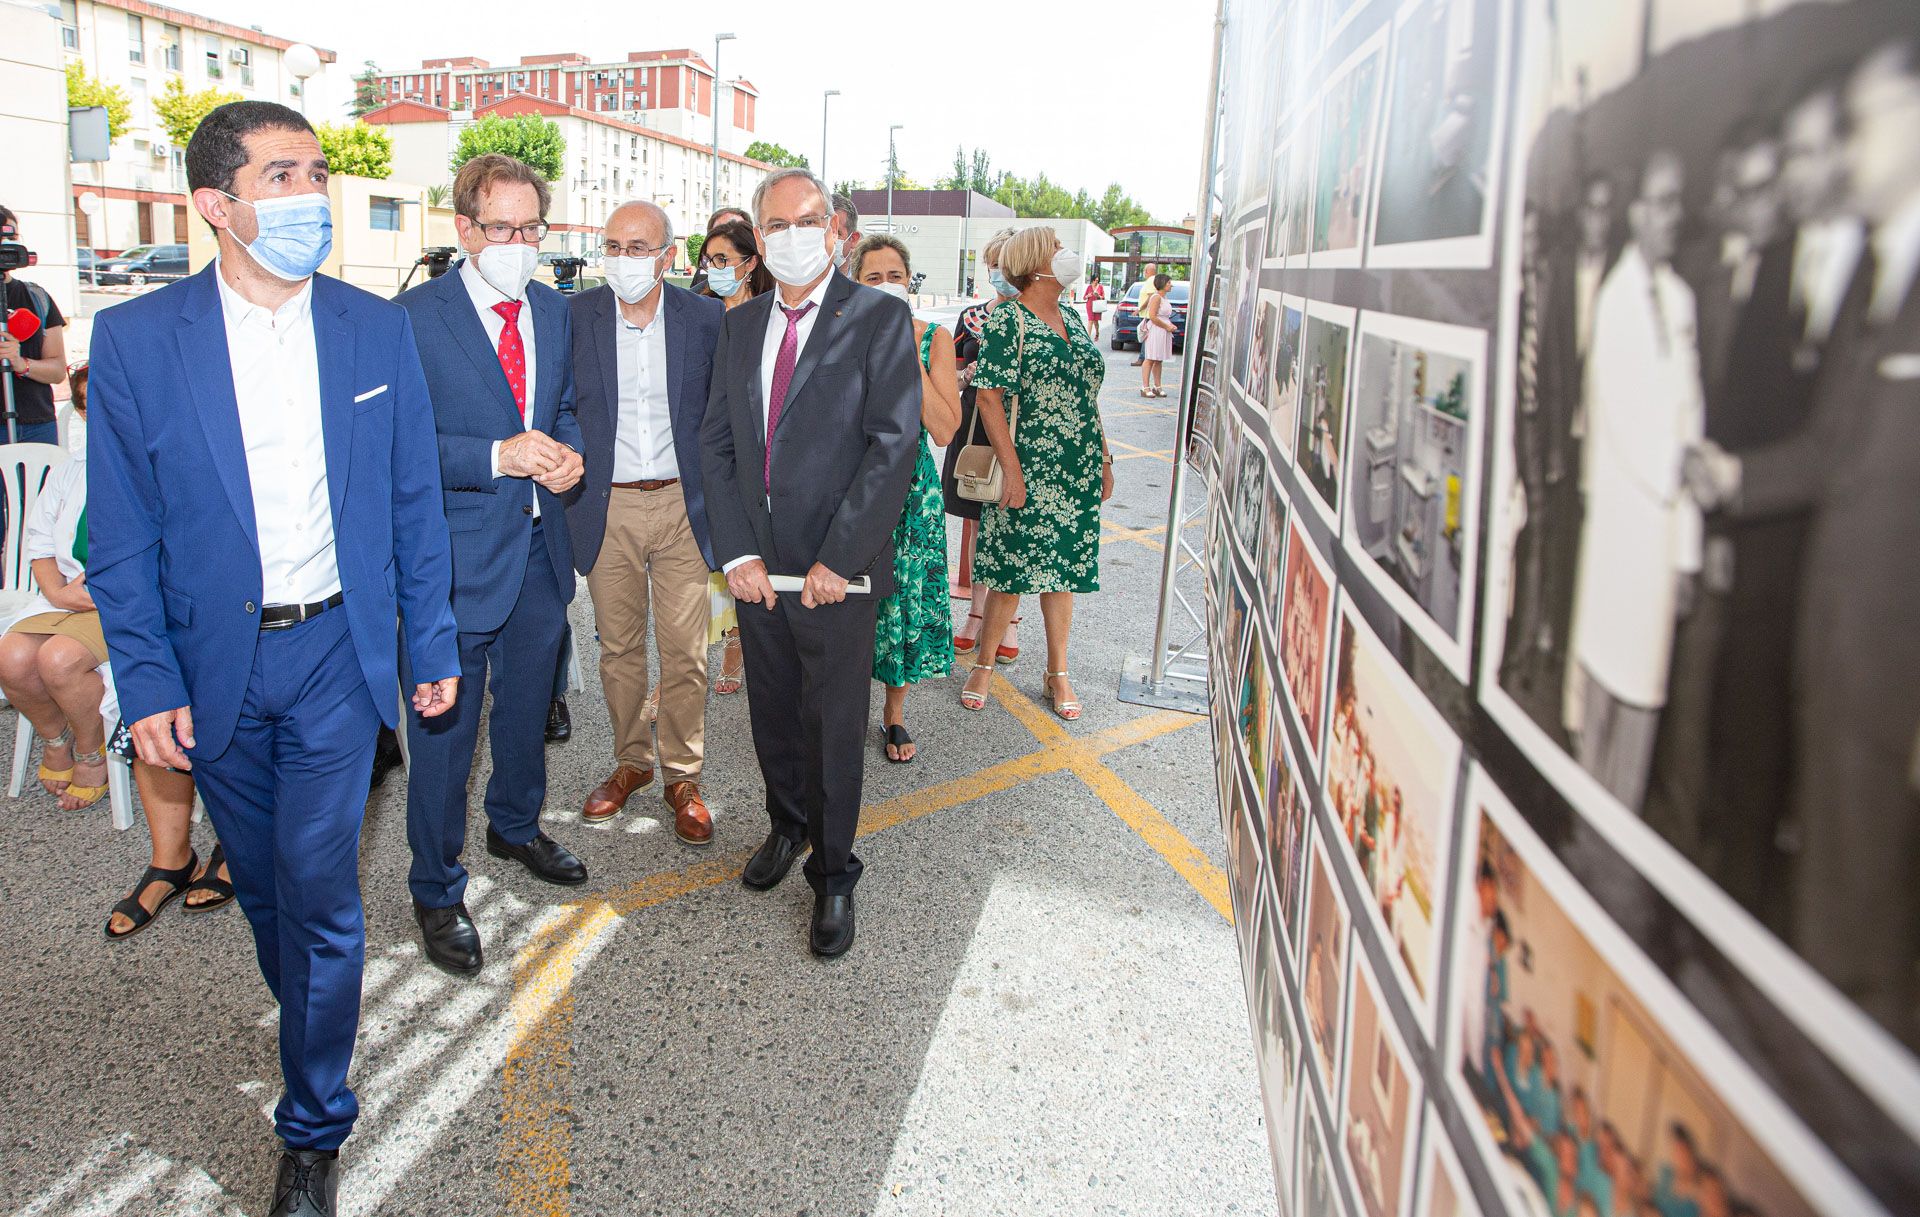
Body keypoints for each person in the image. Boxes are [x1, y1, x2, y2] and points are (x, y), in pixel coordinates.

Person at [86, 100, 460, 1217]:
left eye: (316, 173)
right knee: (261, 888)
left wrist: (428, 639)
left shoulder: (368, 326)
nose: (311, 195)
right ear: (218, 204)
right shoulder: (140, 341)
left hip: (338, 658)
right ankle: (310, 1014)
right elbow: (124, 531)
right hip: (215, 669)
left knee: (321, 887)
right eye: (283, 175)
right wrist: (146, 679)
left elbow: (409, 502)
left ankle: (313, 1122)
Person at [1685, 41, 1920, 1049]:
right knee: (1840, 908)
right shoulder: (1882, 273)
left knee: (1869, 934)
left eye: (1863, 124)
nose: (1848, 154)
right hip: (1840, 661)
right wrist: (1739, 479)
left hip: (1890, 671)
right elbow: (1833, 447)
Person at [699, 167, 920, 957]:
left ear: (835, 230)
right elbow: (718, 446)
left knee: (830, 727)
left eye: (807, 220)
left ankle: (833, 873)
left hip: (835, 574)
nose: (792, 236)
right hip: (758, 571)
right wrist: (736, 551)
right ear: (760, 239)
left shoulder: (878, 319)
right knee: (774, 714)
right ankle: (787, 825)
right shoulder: (739, 325)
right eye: (776, 224)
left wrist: (839, 555)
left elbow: (893, 446)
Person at [396, 153, 588, 979]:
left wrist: (571, 454)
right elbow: (396, 447)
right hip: (452, 563)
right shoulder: (409, 319)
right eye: (502, 228)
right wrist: (495, 455)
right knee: (443, 738)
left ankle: (514, 824)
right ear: (464, 229)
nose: (519, 242)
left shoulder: (555, 310)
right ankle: (436, 887)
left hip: (541, 554)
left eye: (531, 227)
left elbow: (567, 407)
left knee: (522, 719)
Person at [0, 364, 234, 929]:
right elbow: (54, 539)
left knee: (205, 706)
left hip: (176, 607)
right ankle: (169, 856)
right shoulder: (84, 465)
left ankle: (229, 845)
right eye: (84, 405)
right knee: (22, 659)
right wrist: (60, 590)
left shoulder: (180, 450)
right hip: (102, 604)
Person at [567, 201, 724, 836]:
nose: (622, 259)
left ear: (668, 256)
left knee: (685, 651)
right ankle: (631, 762)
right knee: (619, 647)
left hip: (683, 504)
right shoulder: (575, 316)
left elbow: (722, 418)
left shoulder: (705, 318)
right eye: (612, 245)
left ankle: (682, 774)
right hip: (609, 505)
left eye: (638, 247)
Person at [1563, 149, 1702, 810]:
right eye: (1664, 201)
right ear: (1638, 212)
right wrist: (1691, 469)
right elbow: (1634, 428)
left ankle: (1613, 840)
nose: (1676, 215)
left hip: (1662, 537)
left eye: (1680, 201)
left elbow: (1690, 415)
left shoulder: (1680, 300)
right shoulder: (1616, 303)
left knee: (1643, 712)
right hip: (1622, 533)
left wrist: (1687, 553)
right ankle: (1589, 843)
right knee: (1601, 709)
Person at [959, 226, 1113, 721]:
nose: (1065, 255)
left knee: (1063, 571)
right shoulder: (1008, 319)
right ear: (1035, 262)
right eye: (1055, 248)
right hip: (1027, 462)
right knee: (1011, 570)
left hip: (1077, 464)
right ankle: (984, 664)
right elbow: (988, 397)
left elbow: (1088, 396)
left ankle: (1057, 672)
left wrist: (1105, 458)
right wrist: (1012, 468)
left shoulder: (1072, 314)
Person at [850, 234, 962, 763]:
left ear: (909, 282)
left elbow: (944, 428)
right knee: (849, 601)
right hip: (848, 485)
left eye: (895, 276)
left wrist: (904, 353)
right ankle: (842, 708)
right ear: (855, 283)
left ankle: (894, 714)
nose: (886, 285)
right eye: (873, 278)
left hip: (912, 492)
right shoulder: (839, 333)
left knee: (906, 602)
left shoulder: (934, 338)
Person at [695, 217, 773, 695]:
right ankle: (694, 661)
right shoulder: (700, 313)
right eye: (709, 261)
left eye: (724, 260)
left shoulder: (769, 316)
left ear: (750, 263)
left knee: (749, 558)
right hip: (708, 457)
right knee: (708, 568)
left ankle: (738, 649)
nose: (715, 269)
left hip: (754, 462)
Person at [948, 229, 1023, 663]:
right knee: (976, 522)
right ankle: (976, 613)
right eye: (995, 264)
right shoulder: (971, 318)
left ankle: (1009, 620)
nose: (1001, 274)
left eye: (1008, 266)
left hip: (1020, 431)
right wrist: (970, 374)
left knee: (1014, 525)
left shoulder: (1041, 318)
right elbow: (951, 378)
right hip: (975, 428)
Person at [0, 204, 68, 444]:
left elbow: (58, 370)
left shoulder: (37, 297)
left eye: (11, 237)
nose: (5, 243)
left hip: (37, 427)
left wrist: (21, 363)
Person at [1138, 272, 1176, 398]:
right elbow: (1153, 316)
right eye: (1169, 282)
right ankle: (1145, 386)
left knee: (1158, 359)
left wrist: (1169, 326)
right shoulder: (1156, 297)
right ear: (1162, 284)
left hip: (1163, 330)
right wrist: (1167, 326)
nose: (1171, 285)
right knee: (1150, 358)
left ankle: (1157, 386)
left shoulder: (1163, 298)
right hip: (1156, 330)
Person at [1129, 261, 1158, 367]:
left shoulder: (1151, 281)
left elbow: (1151, 297)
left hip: (1147, 314)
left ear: (1146, 271)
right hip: (1147, 314)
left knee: (1145, 336)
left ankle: (1143, 358)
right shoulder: (1153, 280)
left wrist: (1139, 309)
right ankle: (1144, 357)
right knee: (1146, 336)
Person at [831, 192, 862, 271]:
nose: (825, 240)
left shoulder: (867, 280)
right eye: (823, 231)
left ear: (853, 239)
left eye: (835, 232)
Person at [1081, 272, 1106, 338]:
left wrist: (1098, 296)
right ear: (1093, 280)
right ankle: (1088, 336)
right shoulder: (1089, 287)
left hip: (1097, 306)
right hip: (1090, 305)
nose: (1096, 282)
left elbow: (1103, 297)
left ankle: (1097, 332)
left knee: (1095, 321)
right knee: (1090, 320)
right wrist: (1087, 296)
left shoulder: (1100, 287)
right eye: (1095, 280)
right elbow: (1084, 297)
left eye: (1097, 280)